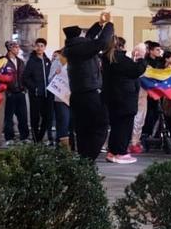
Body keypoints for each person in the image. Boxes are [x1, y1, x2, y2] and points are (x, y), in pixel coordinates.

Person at [63, 11, 115, 161]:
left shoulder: (73, 48)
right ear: (78, 36)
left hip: (78, 96)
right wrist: (109, 24)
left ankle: (84, 161)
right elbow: (102, 42)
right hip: (90, 95)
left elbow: (89, 38)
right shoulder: (82, 49)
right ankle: (88, 159)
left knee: (83, 130)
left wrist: (99, 24)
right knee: (101, 126)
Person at [102, 36, 143, 164]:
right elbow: (136, 70)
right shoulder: (119, 58)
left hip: (113, 97)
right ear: (119, 46)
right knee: (124, 127)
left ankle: (112, 152)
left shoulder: (108, 58)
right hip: (125, 98)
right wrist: (141, 58)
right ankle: (121, 152)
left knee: (116, 126)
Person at [22, 38, 54, 145]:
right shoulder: (31, 61)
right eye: (38, 46)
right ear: (35, 47)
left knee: (47, 117)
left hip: (47, 94)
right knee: (35, 118)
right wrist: (34, 88)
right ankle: (36, 140)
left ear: (45, 47)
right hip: (36, 94)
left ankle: (40, 137)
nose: (40, 48)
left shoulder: (47, 61)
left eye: (42, 46)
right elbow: (25, 78)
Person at [1, 40, 29, 143]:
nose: (18, 49)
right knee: (8, 117)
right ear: (10, 48)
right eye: (16, 47)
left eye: (18, 47)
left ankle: (24, 137)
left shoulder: (21, 61)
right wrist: (6, 90)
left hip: (20, 92)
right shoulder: (3, 61)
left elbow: (24, 76)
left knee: (23, 116)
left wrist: (24, 88)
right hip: (9, 93)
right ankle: (9, 138)